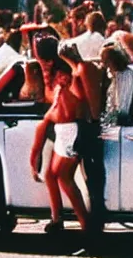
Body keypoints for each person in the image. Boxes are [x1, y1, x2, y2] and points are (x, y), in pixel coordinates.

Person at [29, 34, 89, 233]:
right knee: (50, 175)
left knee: (64, 177)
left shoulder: (65, 75)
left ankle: (87, 227)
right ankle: (57, 219)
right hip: (63, 129)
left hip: (71, 129)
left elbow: (75, 97)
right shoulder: (56, 74)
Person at [58, 42, 106, 230]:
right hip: (83, 125)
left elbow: (92, 97)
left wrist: (93, 123)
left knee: (93, 173)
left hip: (88, 125)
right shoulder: (78, 68)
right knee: (88, 173)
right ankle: (93, 215)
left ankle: (96, 218)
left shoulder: (84, 68)